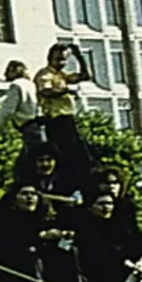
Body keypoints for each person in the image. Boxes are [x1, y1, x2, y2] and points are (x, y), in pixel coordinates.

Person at [77, 189, 142, 282]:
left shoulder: (120, 225)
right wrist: (127, 262)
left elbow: (141, 243)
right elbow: (97, 250)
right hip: (102, 267)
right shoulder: (86, 226)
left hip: (132, 263)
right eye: (101, 204)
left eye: (110, 204)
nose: (106, 207)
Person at [34, 43, 92, 181]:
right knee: (64, 153)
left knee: (80, 153)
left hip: (67, 117)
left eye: (64, 59)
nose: (61, 63)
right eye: (58, 59)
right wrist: (66, 91)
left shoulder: (62, 76)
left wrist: (79, 56)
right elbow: (45, 91)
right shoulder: (45, 74)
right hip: (55, 118)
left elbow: (86, 76)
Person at [0, 59, 45, 164]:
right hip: (38, 126)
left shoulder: (16, 85)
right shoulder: (31, 85)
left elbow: (7, 111)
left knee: (30, 162)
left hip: (28, 128)